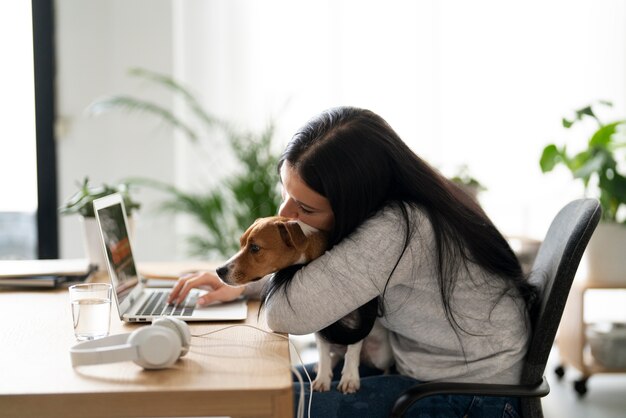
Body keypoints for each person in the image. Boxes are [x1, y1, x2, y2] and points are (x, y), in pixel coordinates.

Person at [168, 106, 538, 418]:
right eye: (286, 192)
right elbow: (331, 274)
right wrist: (242, 282)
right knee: (256, 393)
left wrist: (259, 272)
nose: (285, 213)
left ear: (353, 203)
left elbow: (287, 314)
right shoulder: (410, 205)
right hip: (429, 369)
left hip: (474, 396)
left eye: (305, 207)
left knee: (262, 406)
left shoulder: (397, 230)